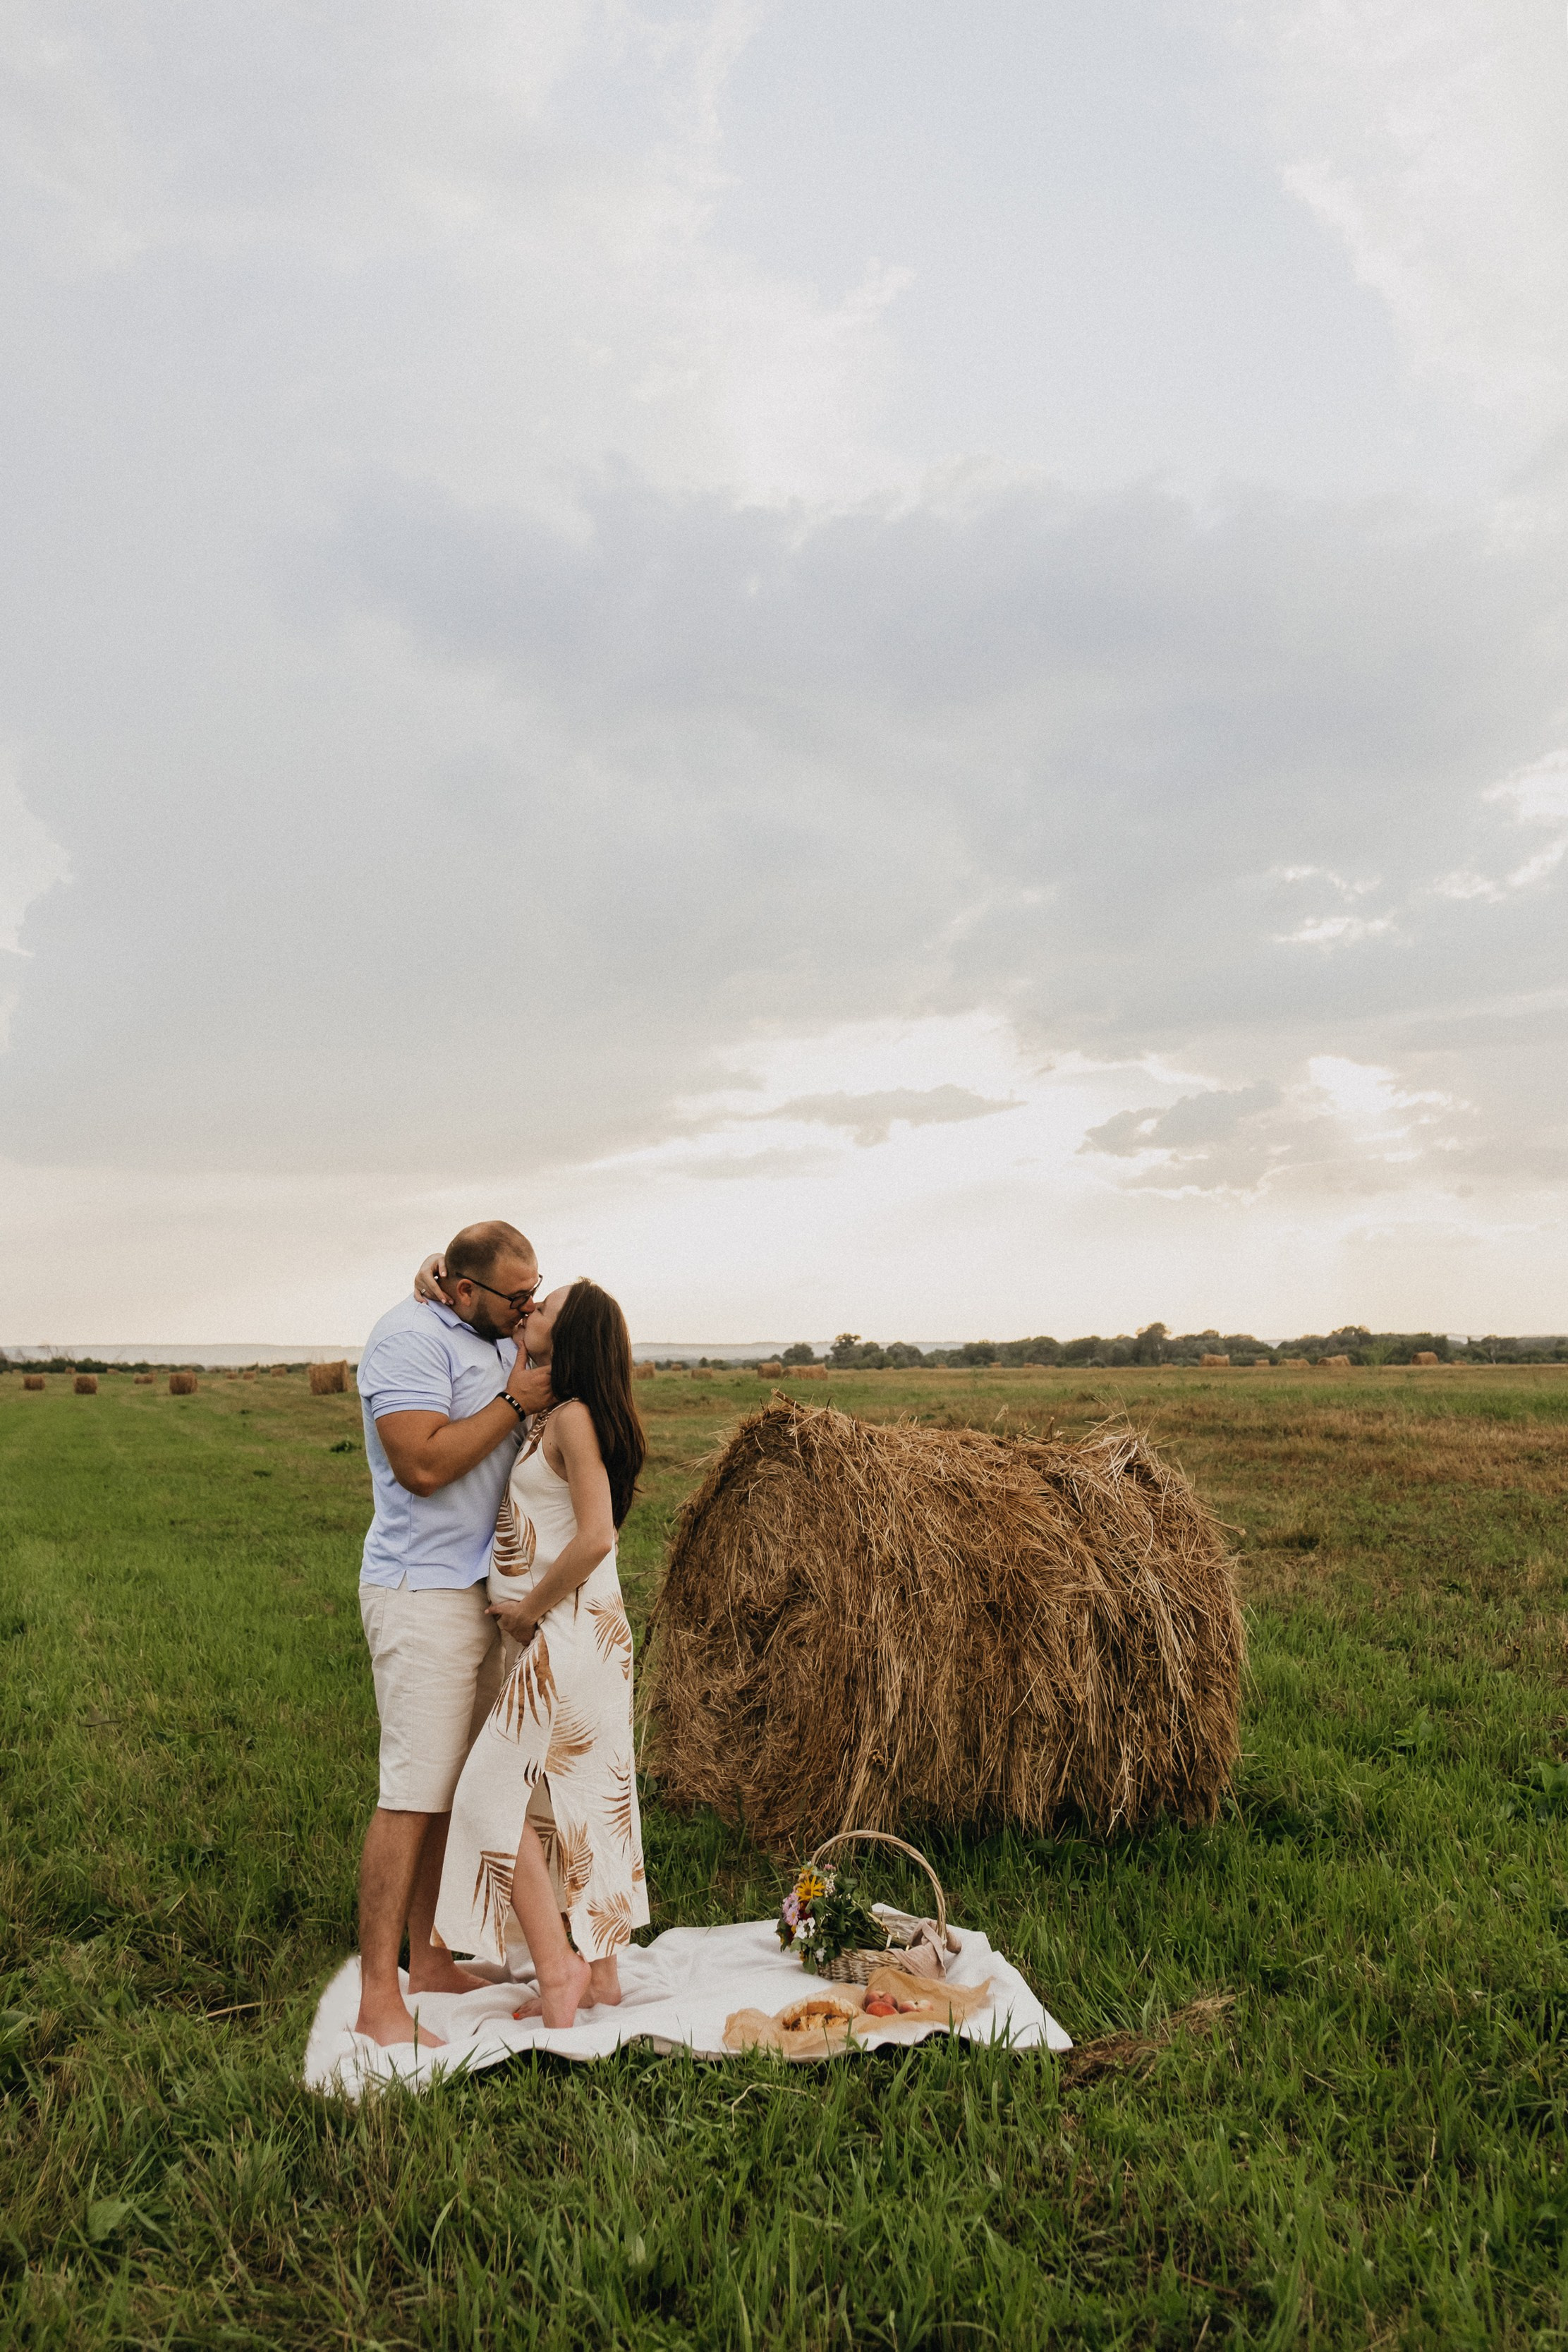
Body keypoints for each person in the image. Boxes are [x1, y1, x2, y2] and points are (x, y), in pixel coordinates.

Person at [352, 1220, 553, 2048]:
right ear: (464, 1290)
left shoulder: (488, 1322)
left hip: (483, 1592)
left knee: (453, 1789)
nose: (528, 1308)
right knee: (409, 1794)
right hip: (420, 1594)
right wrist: (514, 1403)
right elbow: (423, 1465)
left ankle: (430, 1962)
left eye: (534, 1292)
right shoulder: (406, 1336)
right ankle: (377, 2000)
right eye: (517, 1296)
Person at [432, 1278, 648, 2027]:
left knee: (490, 1793)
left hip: (569, 1634)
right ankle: (606, 1974)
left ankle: (559, 1970)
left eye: (546, 1307)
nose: (532, 1312)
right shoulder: (553, 1411)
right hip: (581, 1633)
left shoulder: (577, 1419)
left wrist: (527, 1608)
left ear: (574, 1335)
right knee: (579, 1799)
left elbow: (596, 1535)